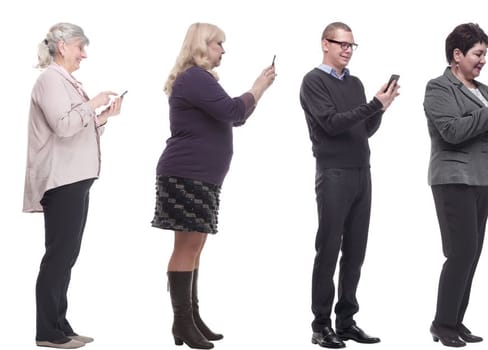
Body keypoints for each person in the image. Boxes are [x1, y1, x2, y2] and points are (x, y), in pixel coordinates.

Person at [151, 22, 275, 349]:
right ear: (202, 46)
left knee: (196, 246)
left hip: (200, 176)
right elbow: (234, 110)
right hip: (187, 174)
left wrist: (256, 93)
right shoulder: (194, 77)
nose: (223, 50)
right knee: (187, 247)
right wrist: (259, 86)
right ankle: (182, 322)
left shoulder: (200, 80)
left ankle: (190, 318)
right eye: (219, 44)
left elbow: (235, 117)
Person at [24, 22, 124, 350]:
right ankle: (47, 333)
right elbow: (64, 126)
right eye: (80, 47)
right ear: (62, 45)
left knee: (67, 256)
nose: (84, 54)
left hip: (76, 179)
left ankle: (60, 325)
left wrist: (104, 117)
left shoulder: (63, 81)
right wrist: (92, 104)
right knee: (58, 256)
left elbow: (76, 128)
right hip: (61, 180)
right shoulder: (49, 80)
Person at [423, 22, 488, 348]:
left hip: (483, 179)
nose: (483, 61)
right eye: (478, 54)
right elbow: (452, 132)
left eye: (484, 54)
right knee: (460, 252)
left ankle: (455, 320)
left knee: (472, 254)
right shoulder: (438, 88)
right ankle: (442, 323)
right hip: (453, 180)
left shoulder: (484, 90)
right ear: (457, 54)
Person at [300, 21, 399, 349]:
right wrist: (371, 105)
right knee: (328, 249)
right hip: (334, 174)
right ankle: (320, 325)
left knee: (355, 251)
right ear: (324, 44)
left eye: (351, 45)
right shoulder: (313, 81)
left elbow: (362, 130)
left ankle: (345, 322)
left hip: (361, 172)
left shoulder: (355, 83)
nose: (346, 50)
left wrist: (380, 109)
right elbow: (330, 124)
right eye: (341, 43)